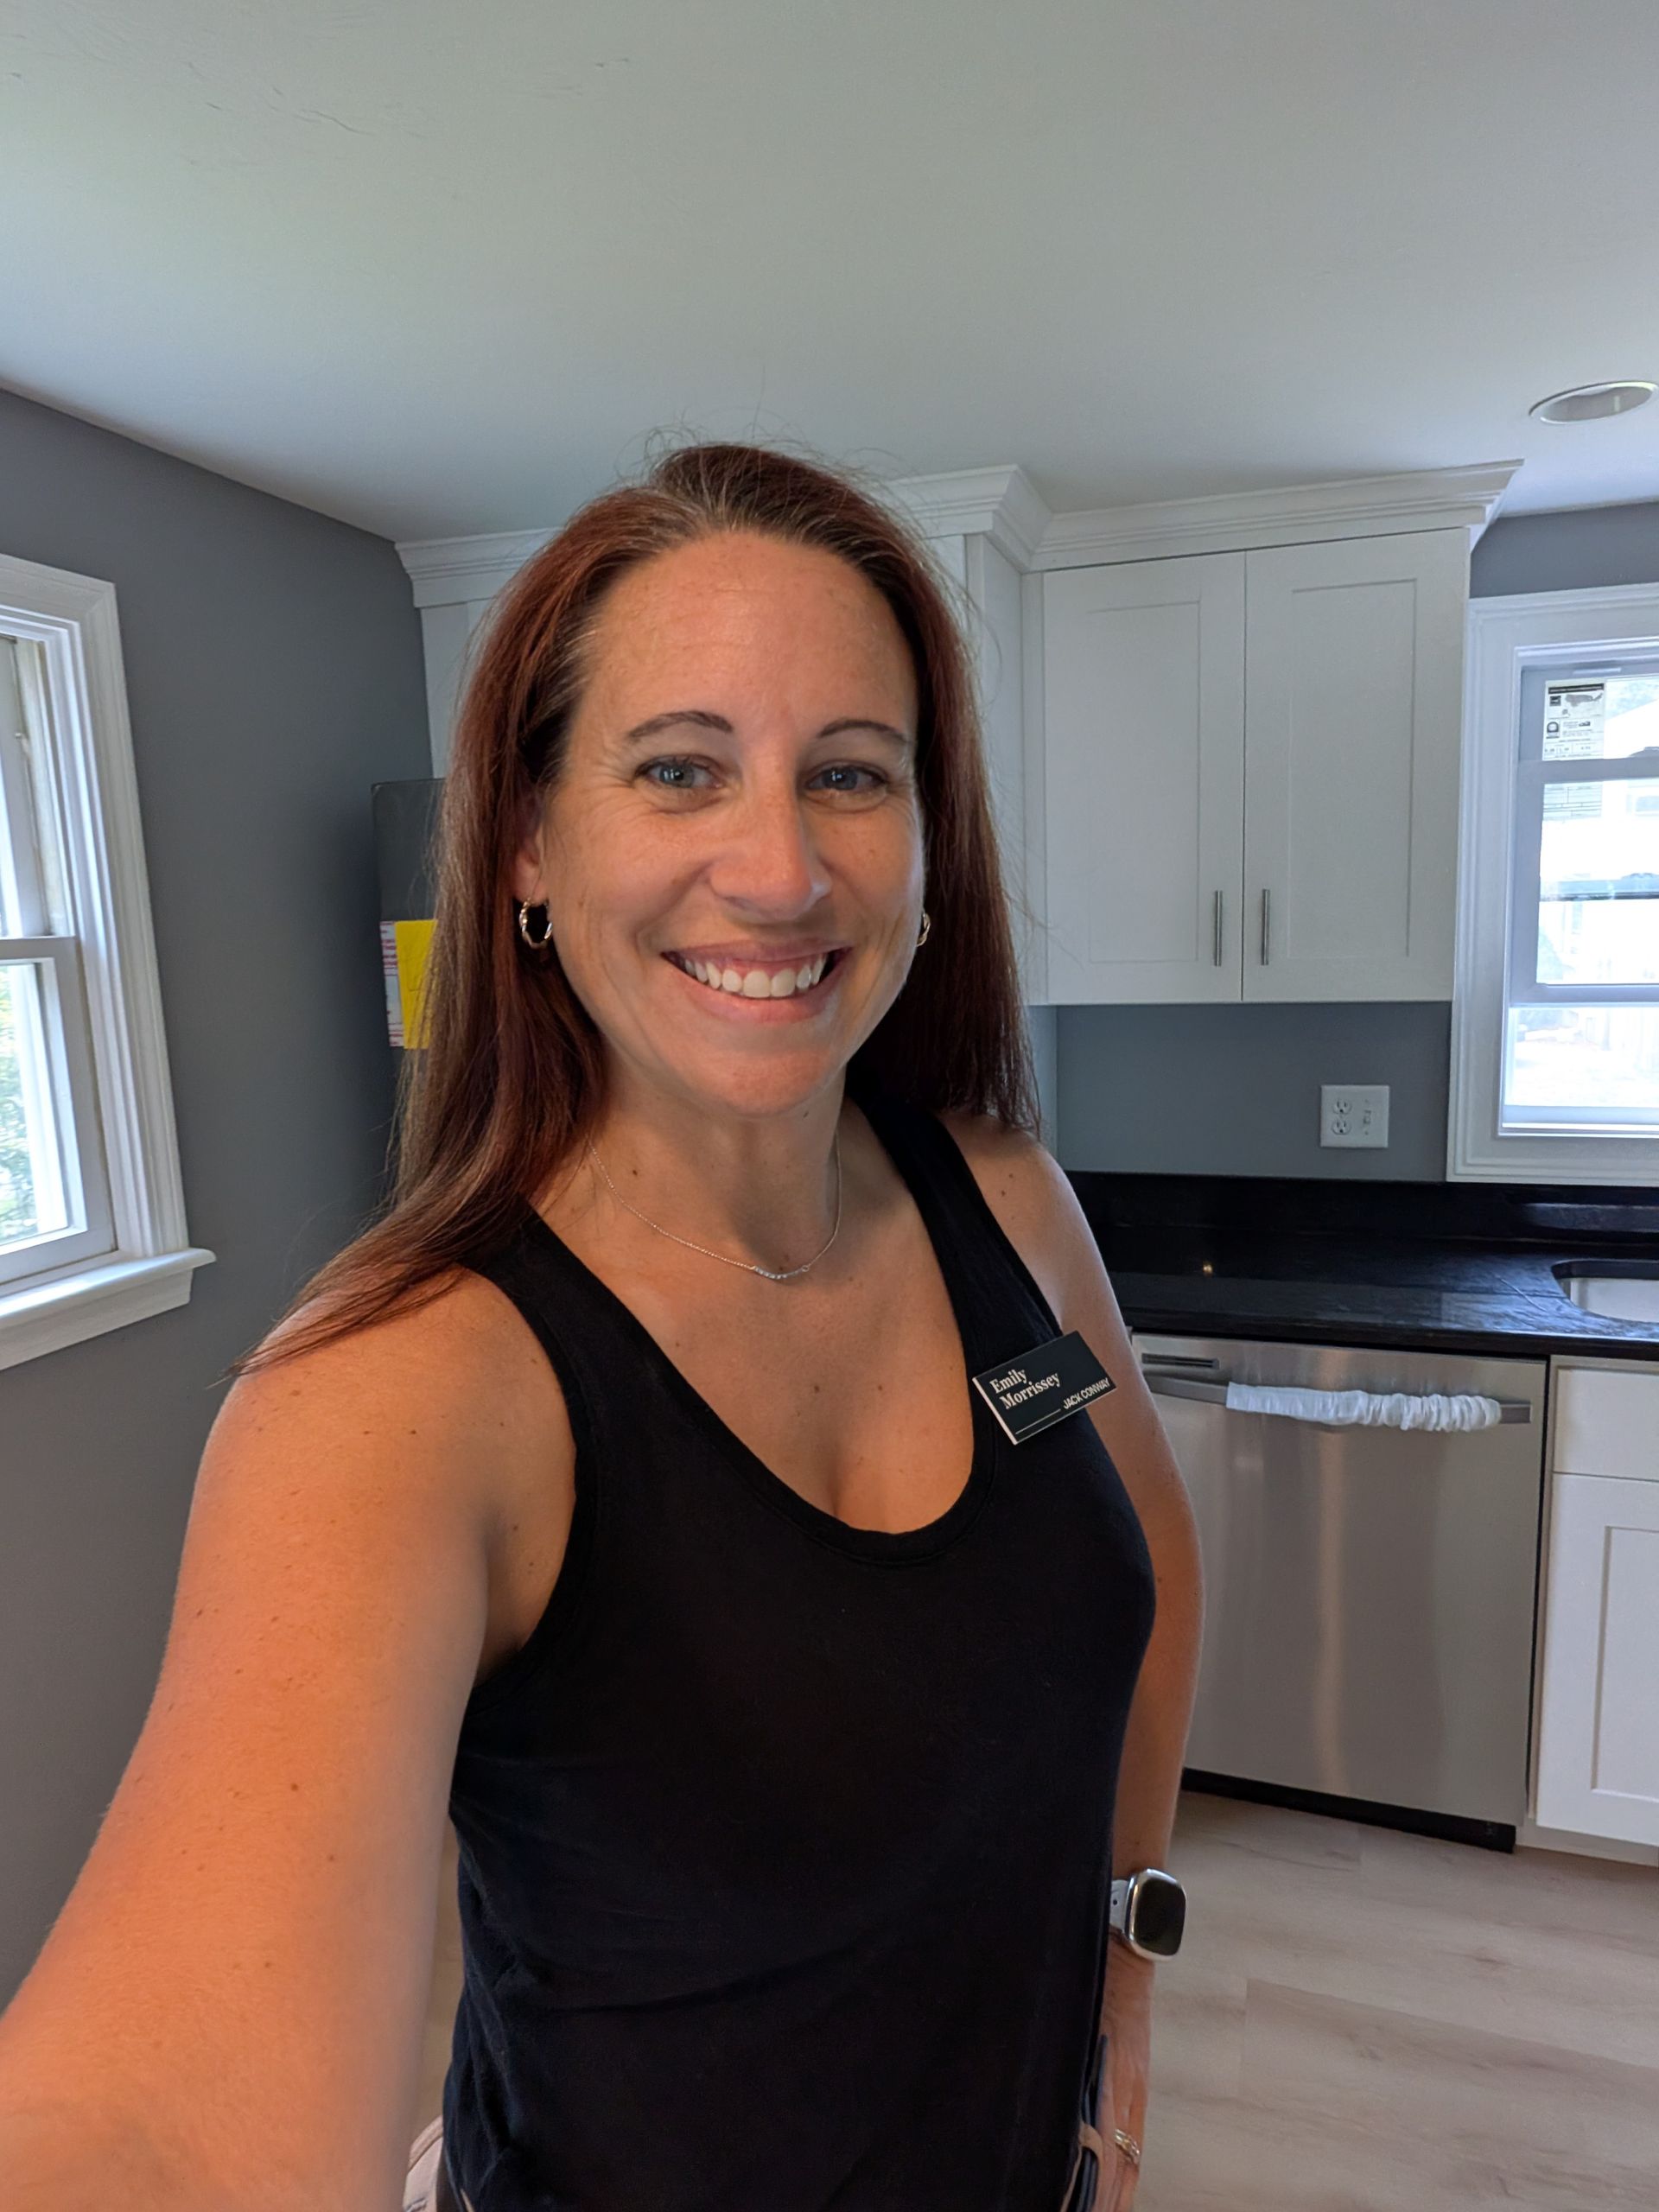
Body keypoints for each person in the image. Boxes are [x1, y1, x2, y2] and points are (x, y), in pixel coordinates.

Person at [0, 439, 1203, 2212]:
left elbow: (1144, 1571)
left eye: (852, 773)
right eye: (680, 768)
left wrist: (1123, 1955)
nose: (780, 865)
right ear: (533, 850)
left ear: (928, 850)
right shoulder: (402, 1388)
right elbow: (159, 2131)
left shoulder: (1004, 1199)